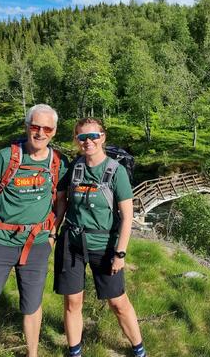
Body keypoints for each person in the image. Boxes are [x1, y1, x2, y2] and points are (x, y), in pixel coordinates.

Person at [0, 104, 68, 357]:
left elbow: (61, 200)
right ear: (27, 127)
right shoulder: (6, 157)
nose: (40, 133)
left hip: (37, 243)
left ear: (54, 132)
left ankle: (32, 354)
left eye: (47, 128)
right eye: (35, 126)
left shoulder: (58, 162)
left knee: (33, 304)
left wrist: (53, 234)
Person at [54, 118, 146, 357]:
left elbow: (127, 217)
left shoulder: (116, 172)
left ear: (103, 137)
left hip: (104, 246)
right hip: (71, 243)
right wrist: (53, 232)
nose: (88, 142)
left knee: (118, 302)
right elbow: (61, 202)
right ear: (76, 140)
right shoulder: (74, 168)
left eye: (93, 136)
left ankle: (139, 349)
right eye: (82, 137)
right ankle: (75, 352)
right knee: (72, 302)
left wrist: (120, 253)